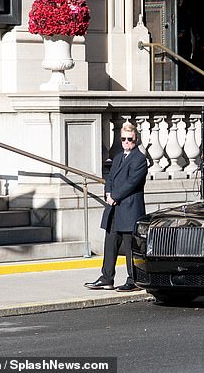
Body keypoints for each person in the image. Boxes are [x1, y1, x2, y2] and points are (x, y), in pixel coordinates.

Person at [85, 123, 148, 292]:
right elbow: (110, 178)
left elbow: (132, 183)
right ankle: (106, 278)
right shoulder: (118, 157)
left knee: (129, 247)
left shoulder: (140, 159)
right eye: (123, 139)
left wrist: (115, 196)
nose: (126, 142)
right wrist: (107, 193)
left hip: (129, 208)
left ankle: (133, 279)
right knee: (110, 242)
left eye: (130, 139)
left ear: (136, 139)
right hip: (114, 209)